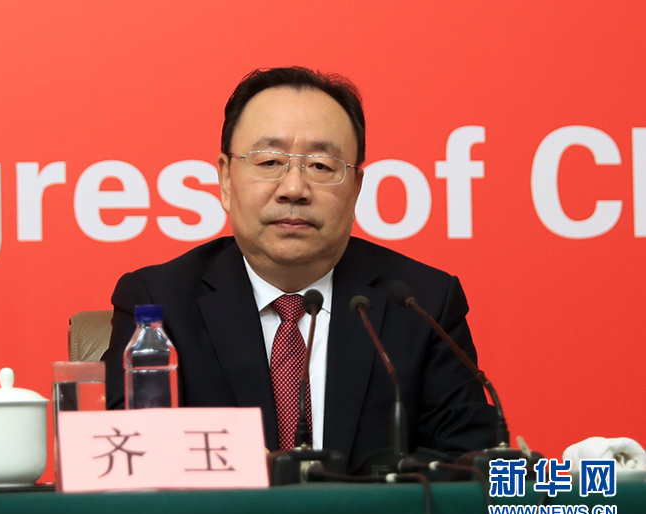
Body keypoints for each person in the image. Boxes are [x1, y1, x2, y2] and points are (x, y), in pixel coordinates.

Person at [102, 66, 495, 470]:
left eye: (321, 166)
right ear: (225, 179)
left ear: (356, 188)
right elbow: (126, 459)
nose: (293, 189)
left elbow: (469, 463)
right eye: (270, 161)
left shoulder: (421, 305)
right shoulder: (159, 304)